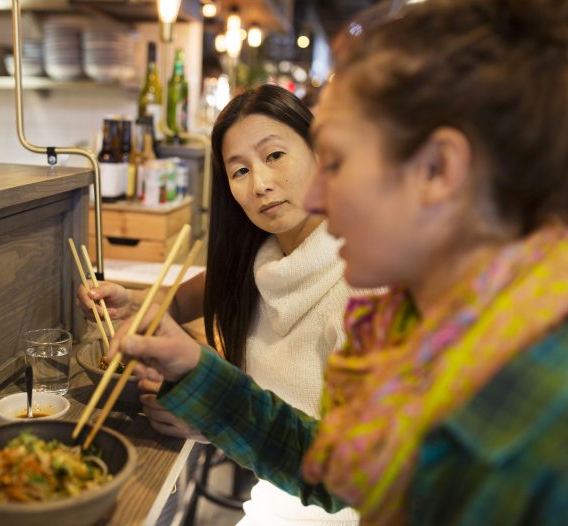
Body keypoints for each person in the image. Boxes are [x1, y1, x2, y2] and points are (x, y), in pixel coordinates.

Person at [108, 0, 568, 524]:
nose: (319, 197)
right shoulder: (425, 329)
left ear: (438, 169)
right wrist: (196, 371)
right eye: (239, 171)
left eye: (338, 160)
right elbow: (337, 468)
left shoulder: (538, 429)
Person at [79, 84, 361, 524]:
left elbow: (351, 475)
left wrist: (211, 418)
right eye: (239, 171)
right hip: (274, 498)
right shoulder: (264, 260)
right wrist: (138, 306)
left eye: (274, 156)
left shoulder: (363, 282)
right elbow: (177, 304)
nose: (261, 184)